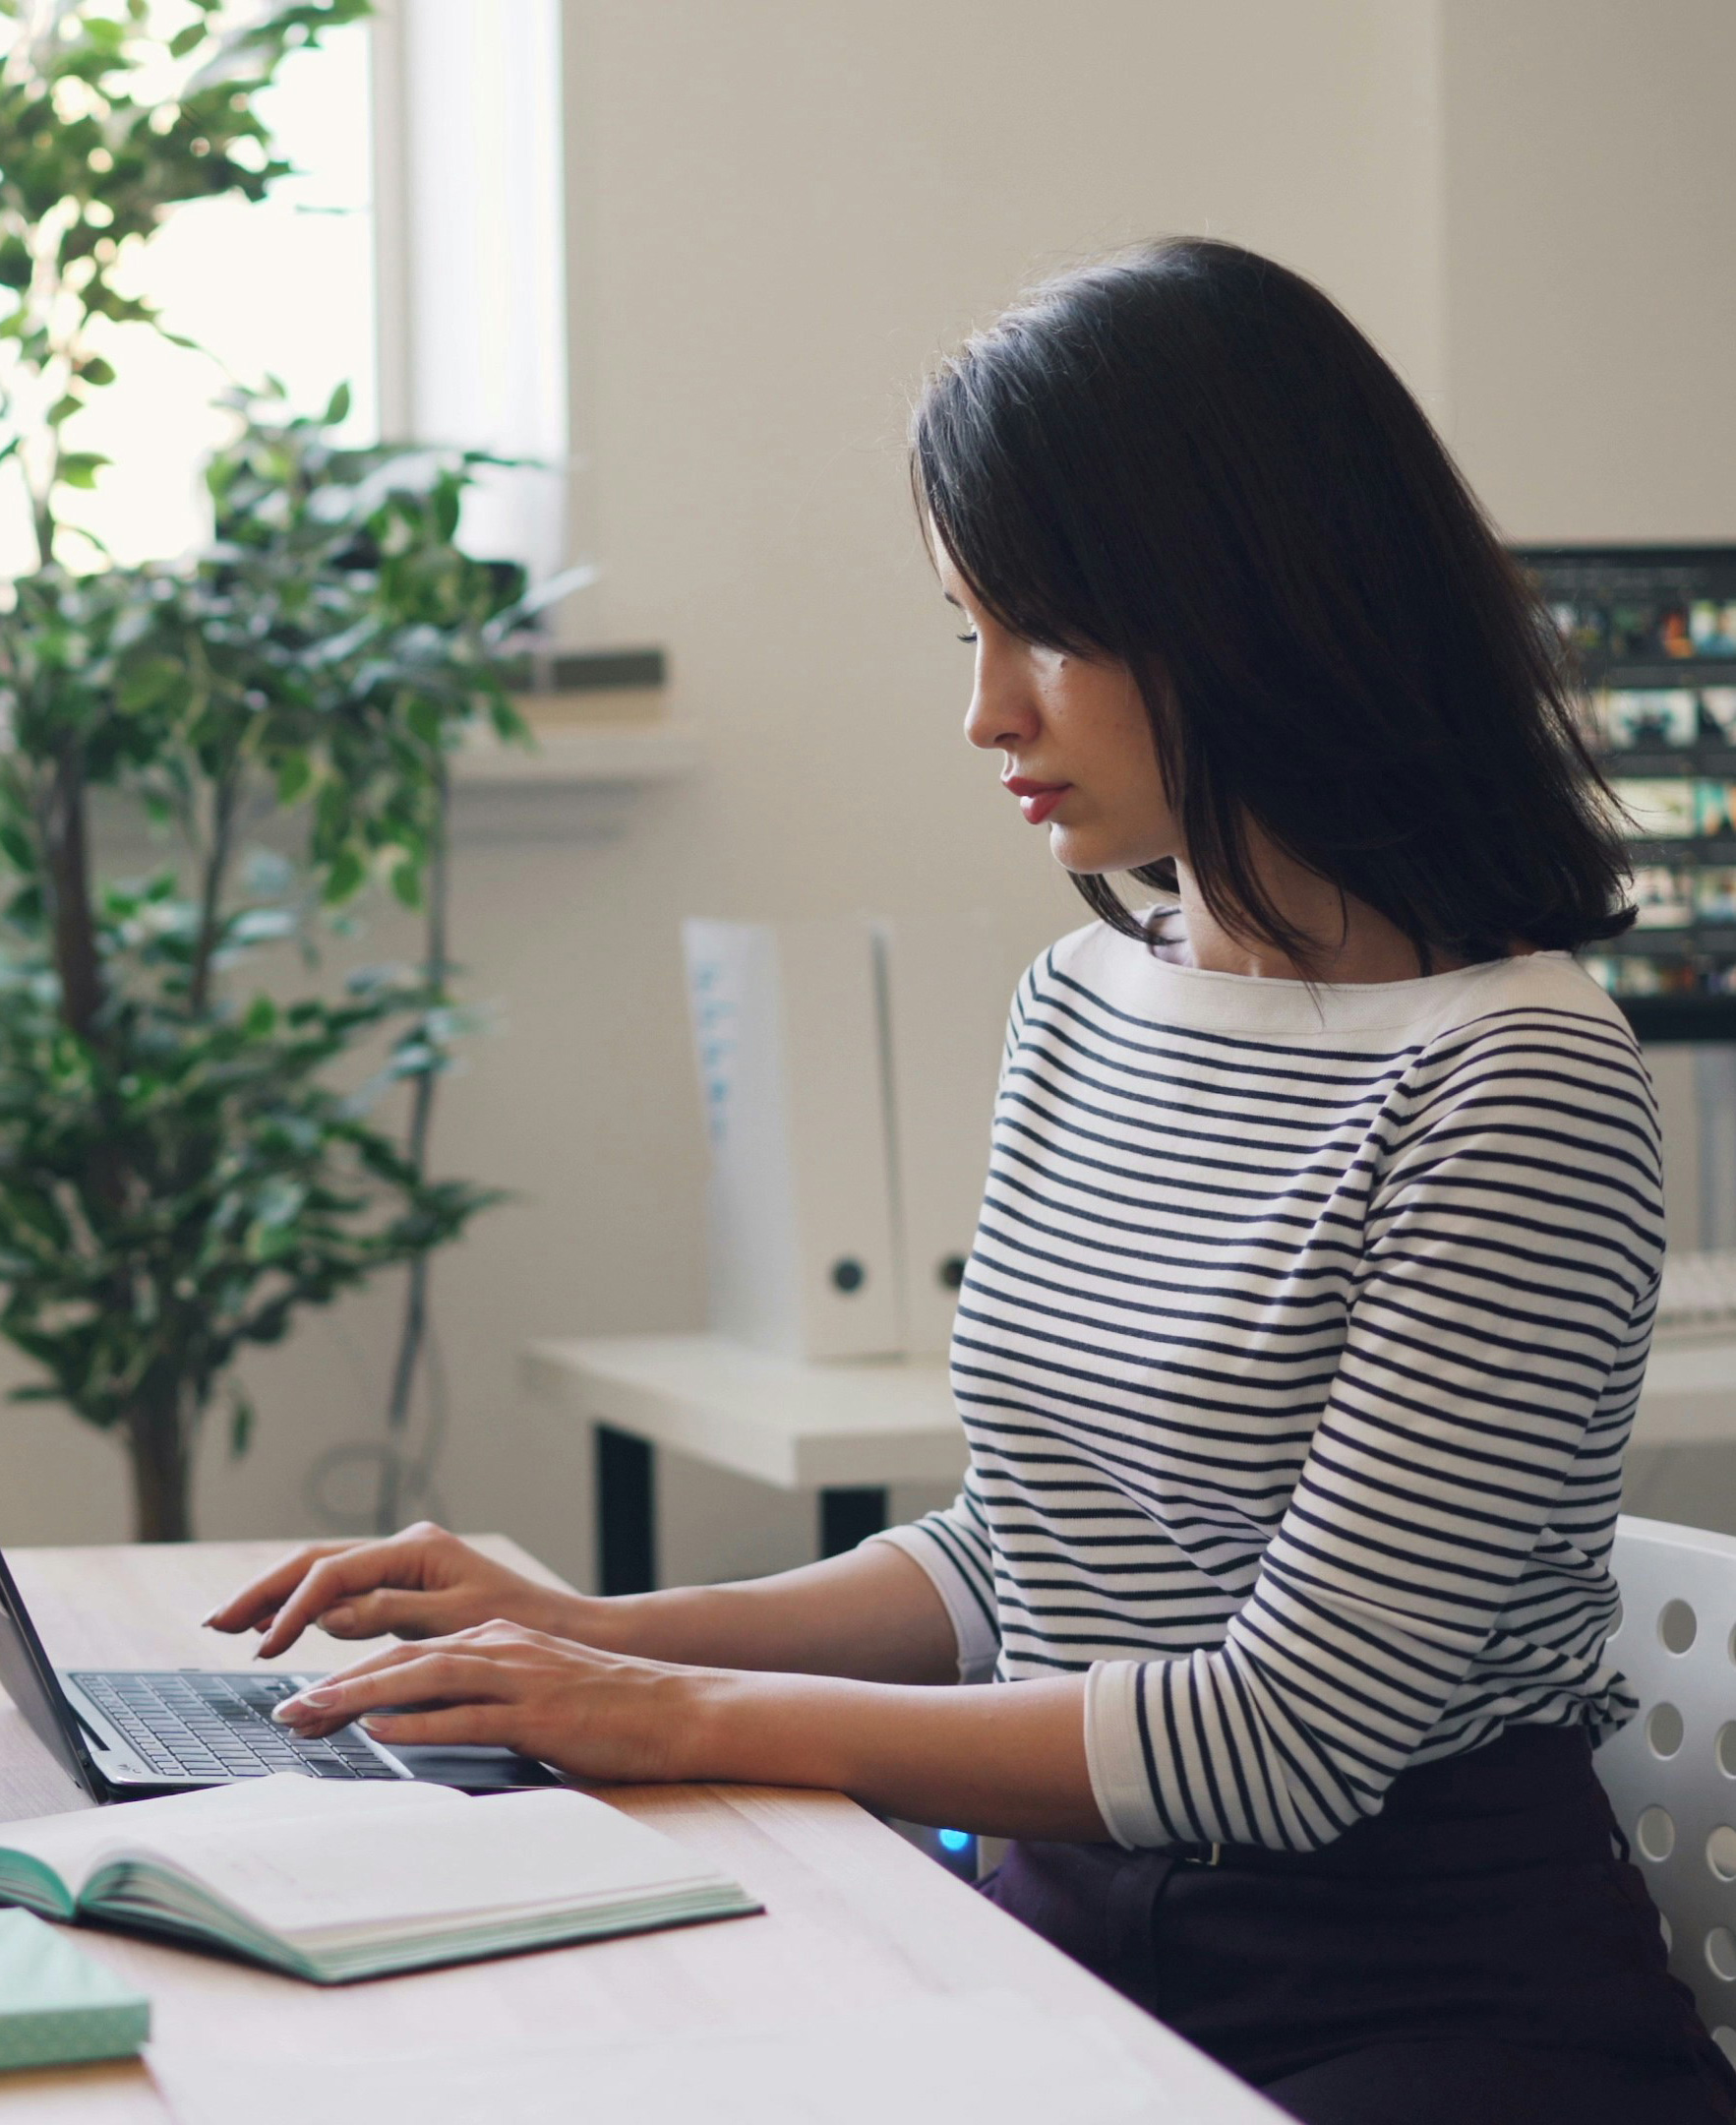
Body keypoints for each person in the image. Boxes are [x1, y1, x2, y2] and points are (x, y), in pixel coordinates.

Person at [207, 239, 1734, 2125]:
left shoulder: (1514, 1075)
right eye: (967, 633)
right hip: (1064, 1942)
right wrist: (585, 1633)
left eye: (1050, 636)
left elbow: (1287, 1739)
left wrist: (672, 1716)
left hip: (1410, 2011)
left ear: (1261, 610)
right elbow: (1021, 1557)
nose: (989, 711)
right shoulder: (1084, 999)